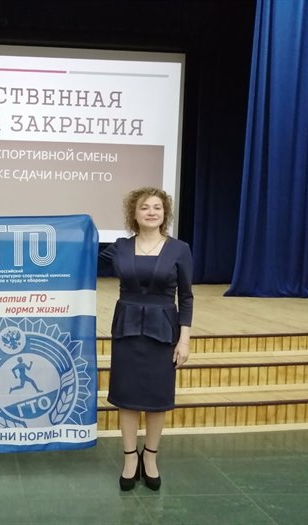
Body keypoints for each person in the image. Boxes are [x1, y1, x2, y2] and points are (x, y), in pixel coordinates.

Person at [98, 187, 193, 491]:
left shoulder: (179, 249)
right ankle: (129, 457)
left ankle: (149, 457)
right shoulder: (120, 247)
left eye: (157, 207)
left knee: (156, 399)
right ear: (134, 214)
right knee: (126, 397)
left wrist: (184, 340)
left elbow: (186, 298)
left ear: (165, 214)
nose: (151, 212)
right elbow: (76, 253)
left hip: (163, 332)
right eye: (144, 207)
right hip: (126, 330)